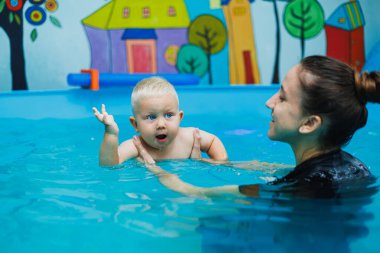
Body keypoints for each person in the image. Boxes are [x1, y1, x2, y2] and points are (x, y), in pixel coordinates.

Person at [133, 55, 379, 198]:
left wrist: (155, 168)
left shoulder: (297, 189)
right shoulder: (352, 167)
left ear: (310, 123)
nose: (268, 102)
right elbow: (291, 173)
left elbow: (195, 193)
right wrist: (223, 165)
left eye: (282, 97)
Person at [93, 76, 228, 166]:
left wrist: (221, 162)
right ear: (135, 124)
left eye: (169, 115)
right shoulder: (136, 146)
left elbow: (212, 141)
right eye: (151, 117)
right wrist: (110, 133)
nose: (161, 124)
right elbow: (109, 165)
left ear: (180, 118)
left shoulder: (190, 137)